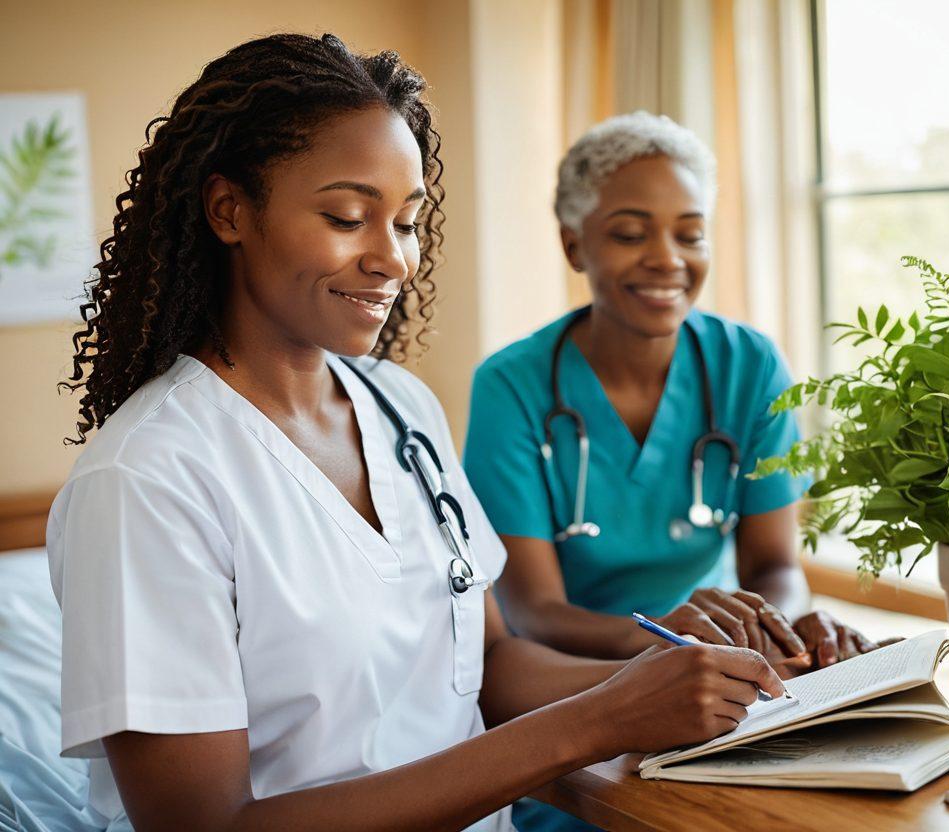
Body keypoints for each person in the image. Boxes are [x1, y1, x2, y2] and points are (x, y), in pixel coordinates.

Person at [47, 36, 785, 832]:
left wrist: (661, 669)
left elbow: (491, 662)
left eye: (406, 222)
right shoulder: (148, 481)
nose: (393, 260)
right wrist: (597, 721)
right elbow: (209, 826)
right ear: (229, 210)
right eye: (346, 217)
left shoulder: (401, 406)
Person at [463, 112, 891, 832]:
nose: (667, 258)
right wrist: (657, 638)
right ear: (575, 245)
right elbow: (531, 609)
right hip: (578, 698)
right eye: (631, 233)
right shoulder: (511, 386)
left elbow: (775, 561)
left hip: (724, 697)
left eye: (690, 233)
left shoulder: (748, 366)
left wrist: (782, 627)